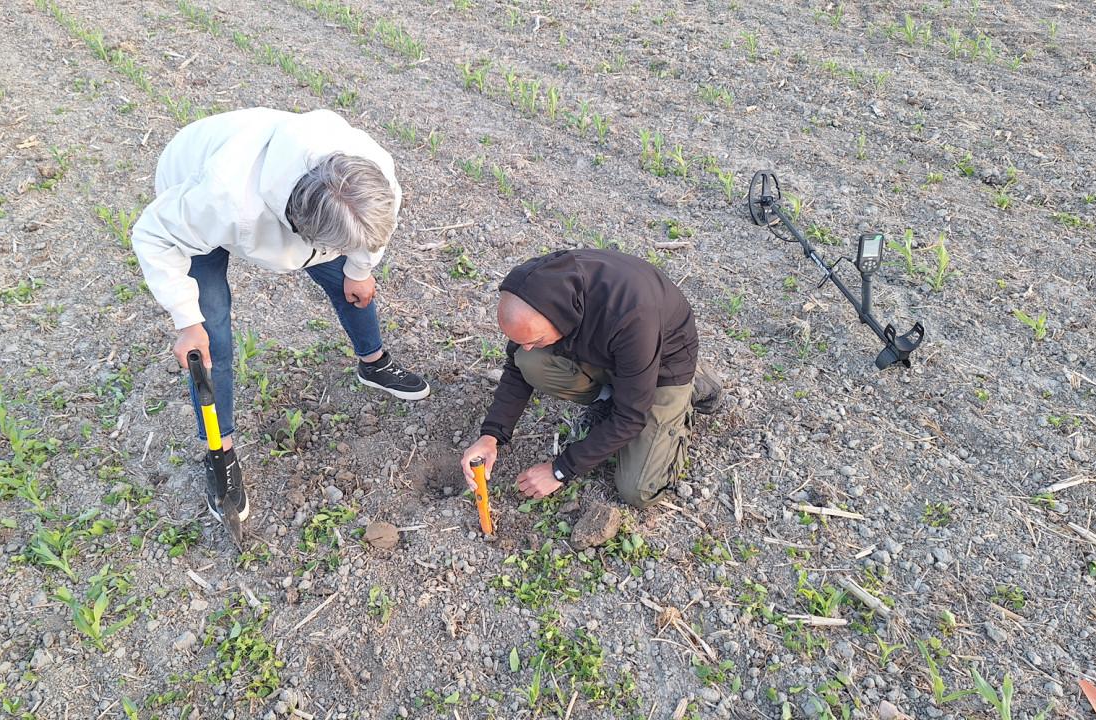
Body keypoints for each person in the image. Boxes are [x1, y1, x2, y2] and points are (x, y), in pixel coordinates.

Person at [133, 107, 430, 525]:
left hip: (313, 209)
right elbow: (153, 234)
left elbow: (375, 224)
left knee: (350, 285)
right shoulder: (220, 198)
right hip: (192, 180)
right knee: (212, 329)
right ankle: (221, 450)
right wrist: (187, 320)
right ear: (301, 229)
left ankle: (374, 364)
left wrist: (359, 268)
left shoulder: (369, 171)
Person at [460, 249, 722, 508]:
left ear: (560, 316)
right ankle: (618, 389)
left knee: (638, 490)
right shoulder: (536, 291)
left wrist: (559, 470)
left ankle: (692, 384)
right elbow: (517, 368)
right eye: (523, 340)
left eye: (536, 339)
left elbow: (631, 416)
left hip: (665, 362)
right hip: (617, 351)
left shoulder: (631, 316)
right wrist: (490, 436)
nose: (528, 346)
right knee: (530, 362)